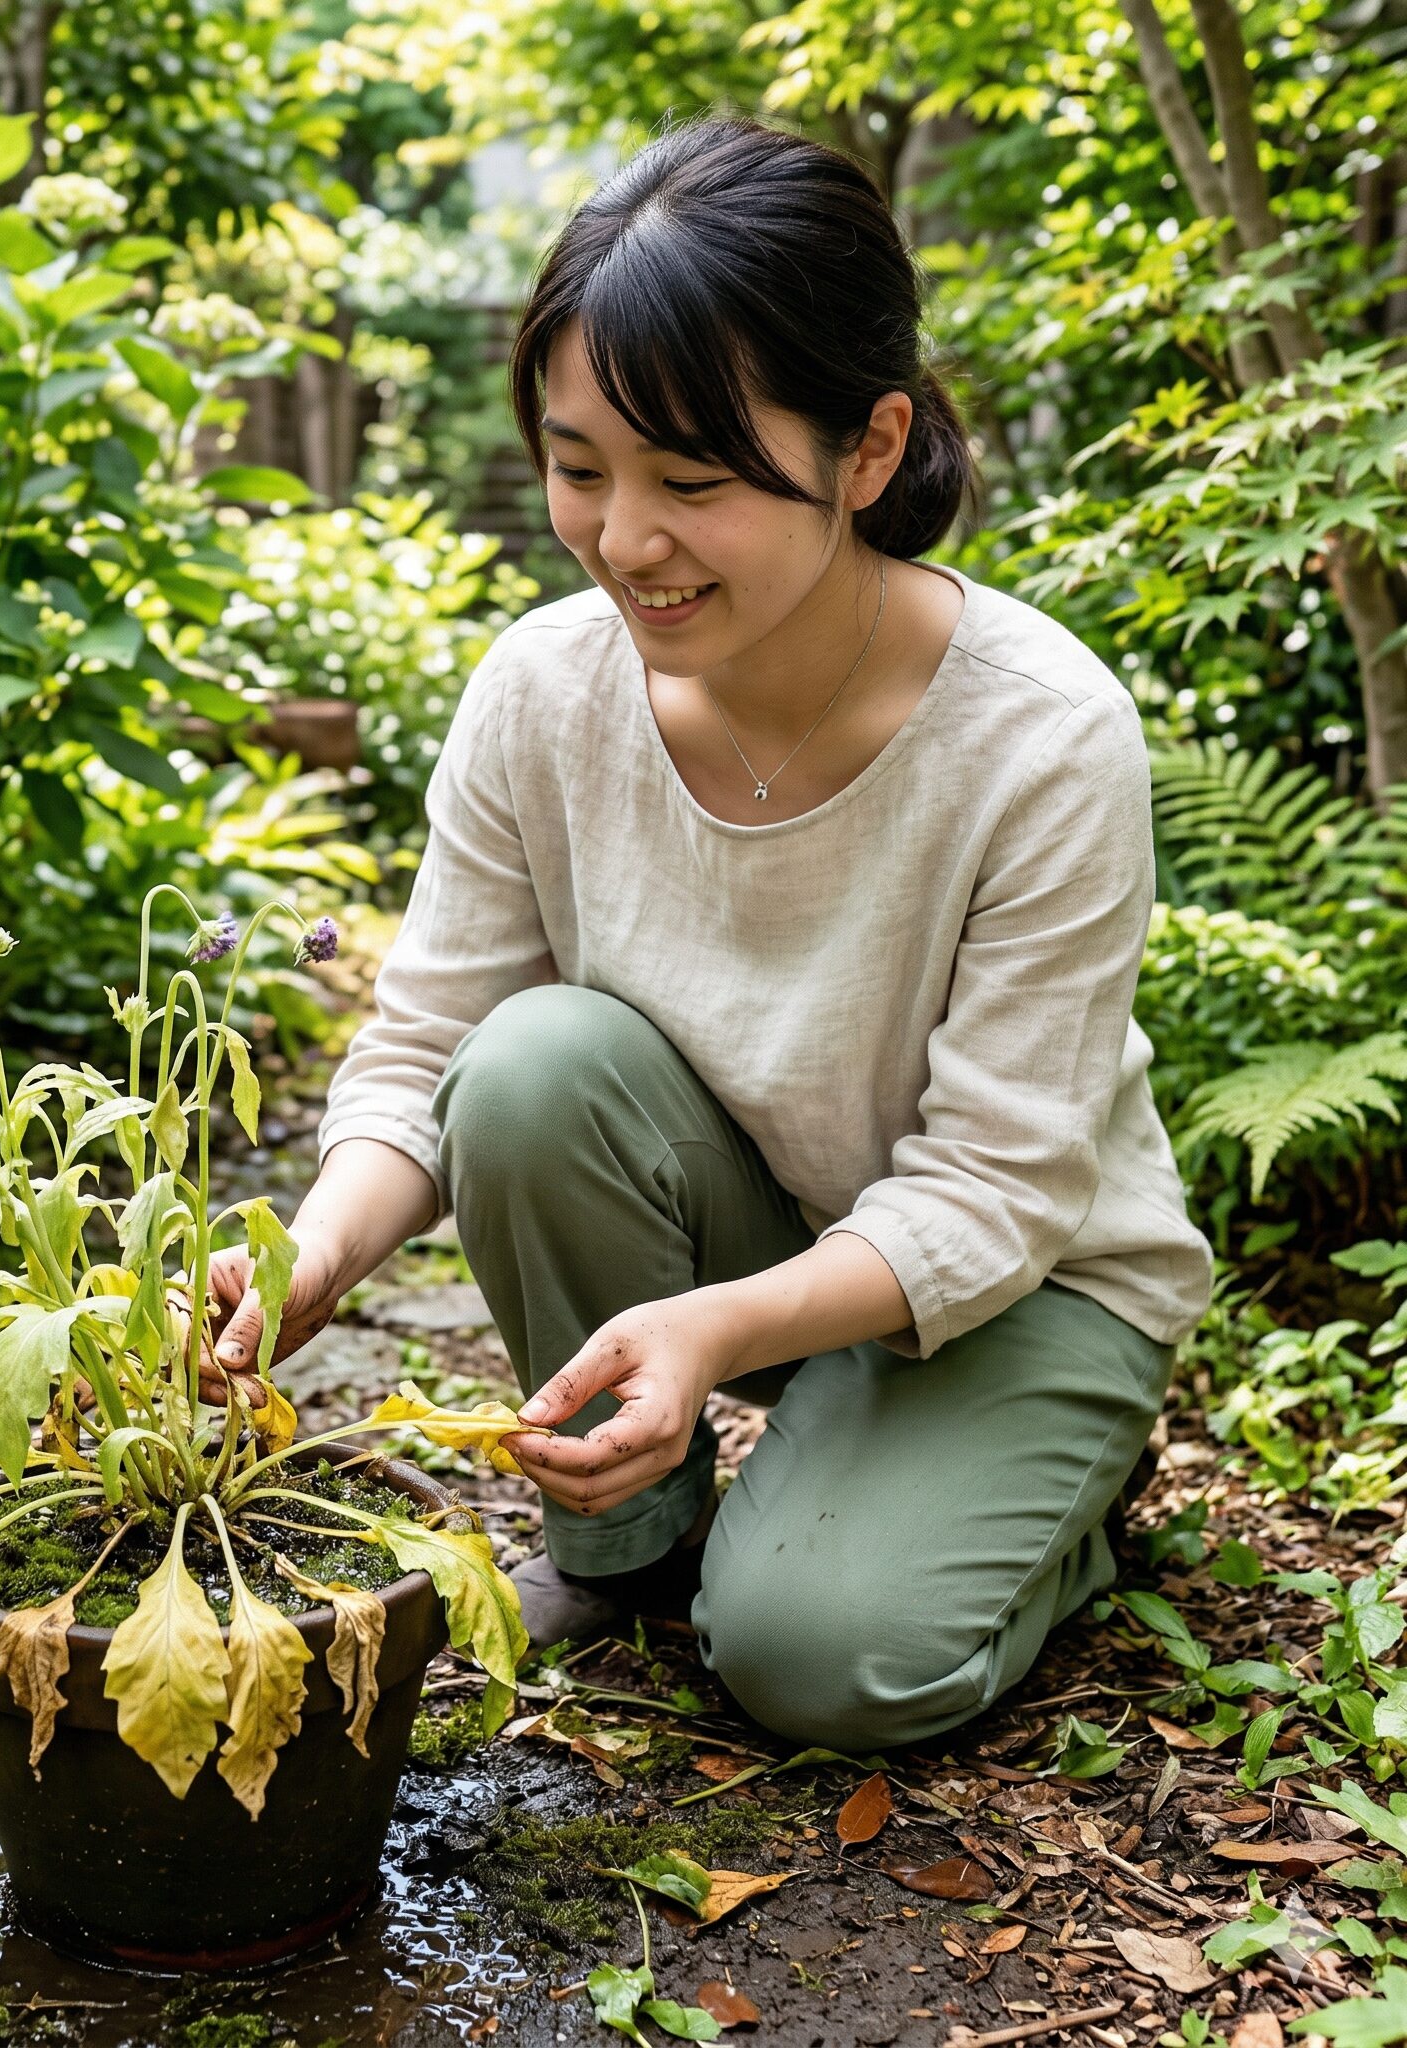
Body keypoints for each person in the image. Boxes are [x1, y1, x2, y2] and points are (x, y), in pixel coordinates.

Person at [200, 111, 1215, 1754]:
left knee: (818, 1662)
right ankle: (630, 1548)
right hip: (761, 1229)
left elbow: (998, 1189)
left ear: (868, 451)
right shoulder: (544, 691)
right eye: (578, 469)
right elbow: (432, 1045)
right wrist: (316, 1255)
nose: (624, 541)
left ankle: (1057, 1501)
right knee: (527, 1067)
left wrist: (714, 1328)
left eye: (691, 482)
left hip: (1021, 1281)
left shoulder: (1039, 735)